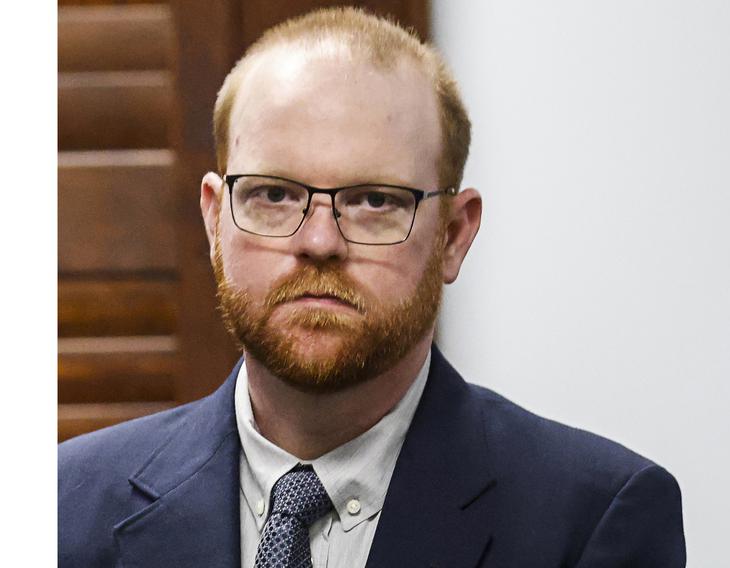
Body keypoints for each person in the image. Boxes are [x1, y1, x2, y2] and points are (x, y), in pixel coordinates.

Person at [58, 8, 686, 567]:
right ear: (215, 220)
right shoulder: (62, 505)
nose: (321, 242)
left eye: (374, 201)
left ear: (453, 235)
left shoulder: (592, 521)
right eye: (274, 195)